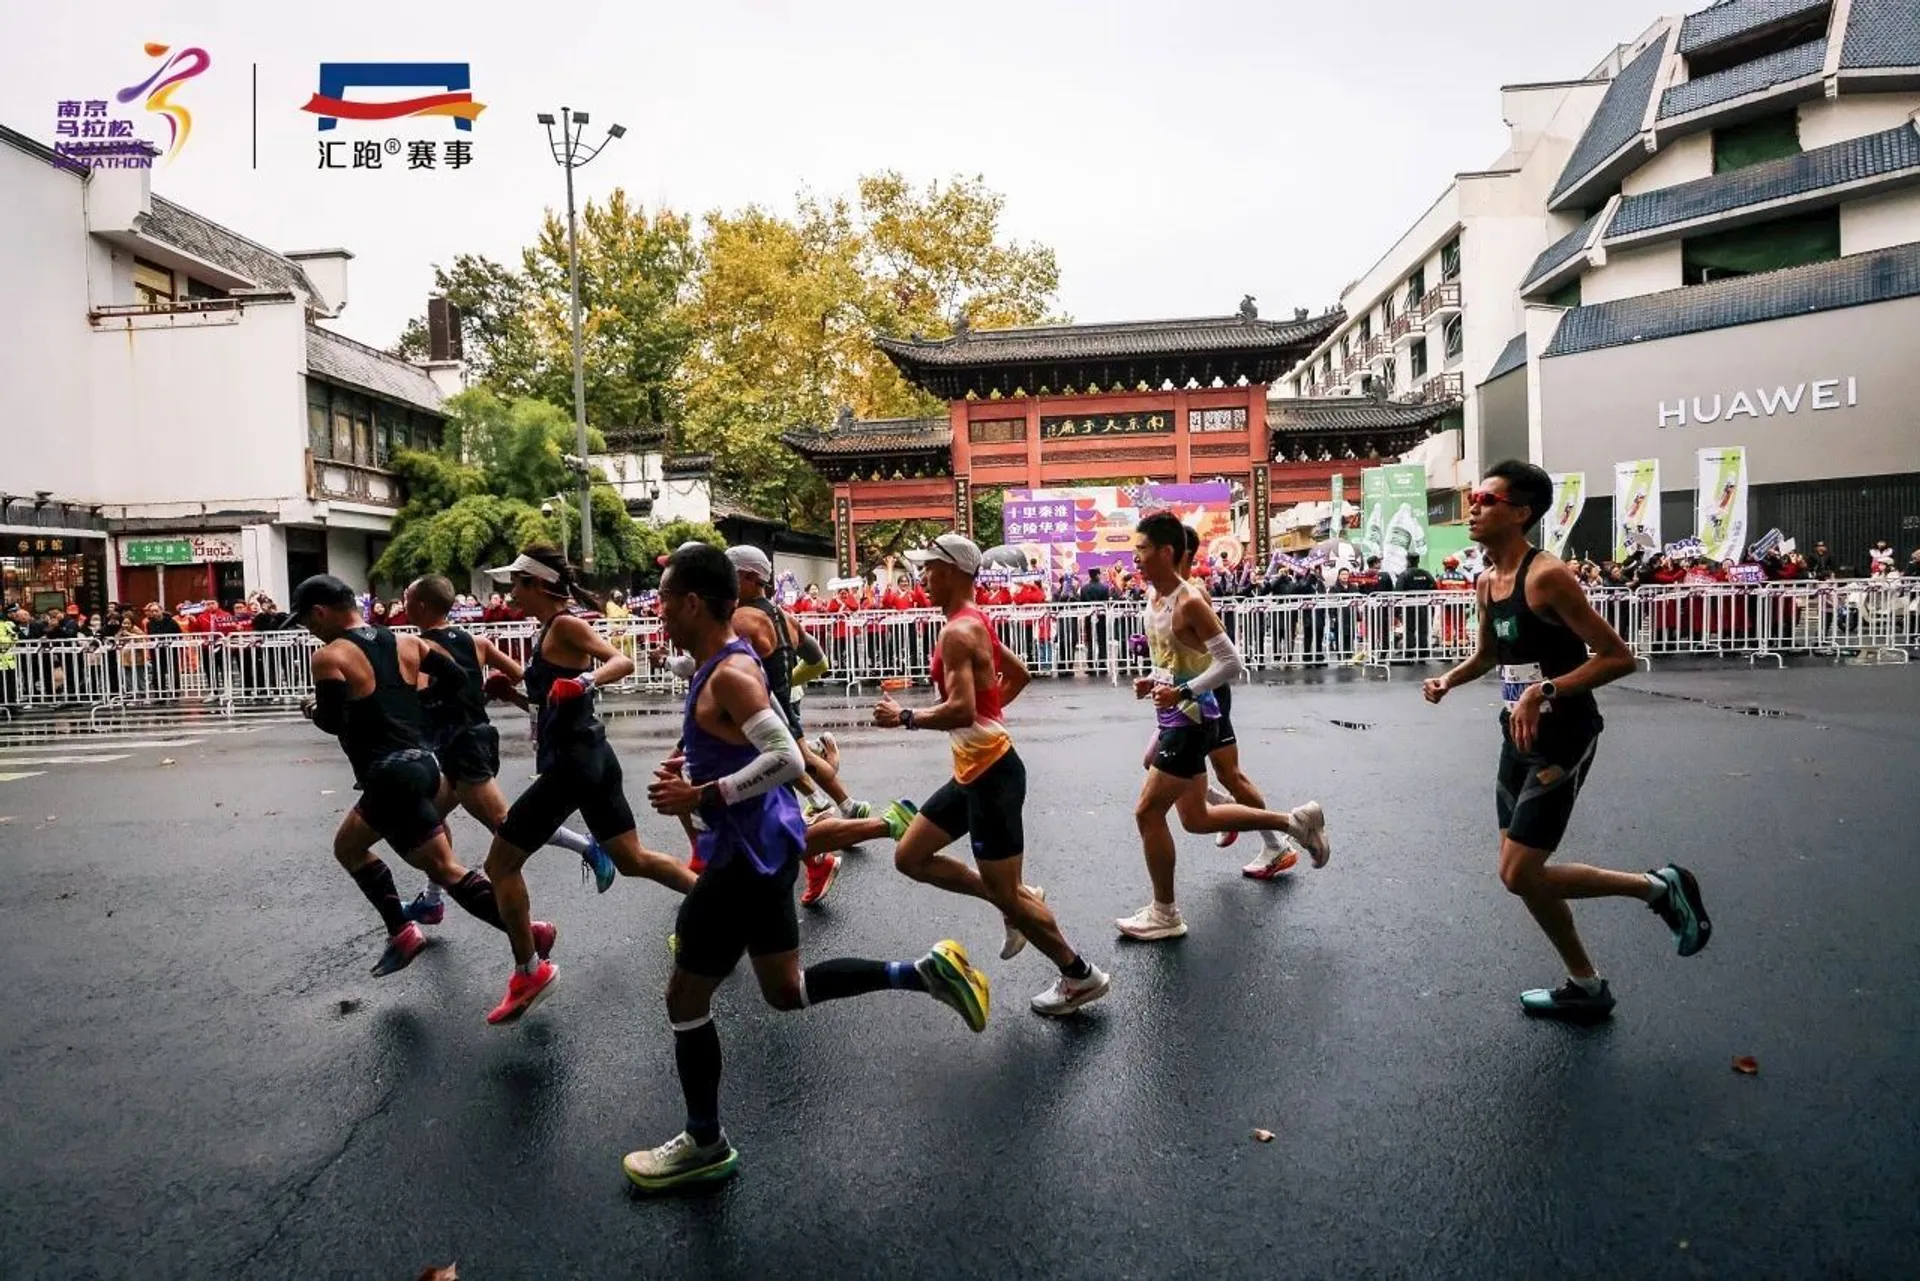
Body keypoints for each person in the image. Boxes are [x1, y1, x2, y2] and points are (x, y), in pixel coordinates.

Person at [624, 542, 990, 1192]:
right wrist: (696, 769)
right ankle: (924, 972)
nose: (659, 614)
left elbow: (787, 759)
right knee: (785, 990)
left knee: (684, 995)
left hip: (742, 859)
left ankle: (705, 1141)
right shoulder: (719, 665)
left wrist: (700, 794)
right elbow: (748, 749)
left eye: (663, 602)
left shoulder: (729, 672)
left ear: (690, 601)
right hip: (765, 849)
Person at [1422, 461, 1711, 1020]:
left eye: (1486, 499)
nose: (1474, 508)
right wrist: (1448, 680)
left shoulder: (1547, 575)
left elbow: (1618, 657)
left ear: (1522, 512)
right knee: (1522, 876)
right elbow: (1488, 655)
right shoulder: (1486, 581)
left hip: (1564, 735)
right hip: (1516, 736)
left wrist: (1546, 691)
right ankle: (1585, 984)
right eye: (1474, 498)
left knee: (1519, 873)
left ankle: (1657, 888)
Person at [876, 533, 1111, 1014]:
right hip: (973, 772)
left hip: (993, 777)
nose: (924, 578)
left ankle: (1078, 975)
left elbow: (961, 710)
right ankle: (1013, 899)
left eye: (932, 569)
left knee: (1009, 895)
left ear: (958, 572)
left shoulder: (958, 631)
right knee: (910, 856)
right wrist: (989, 715)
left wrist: (906, 716)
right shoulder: (973, 620)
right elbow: (1018, 674)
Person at [478, 544, 695, 1026]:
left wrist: (588, 682)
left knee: (500, 864)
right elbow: (549, 707)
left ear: (537, 585)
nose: (509, 593)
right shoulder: (544, 634)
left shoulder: (567, 625)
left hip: (574, 765)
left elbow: (621, 662)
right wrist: (511, 689)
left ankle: (529, 971)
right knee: (633, 860)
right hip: (589, 757)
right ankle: (720, 904)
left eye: (515, 584)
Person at [285, 574, 534, 978]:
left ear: (321, 612)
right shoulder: (407, 642)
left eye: (308, 622)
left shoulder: (330, 657)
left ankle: (410, 931)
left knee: (354, 850)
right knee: (440, 865)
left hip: (387, 775)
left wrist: (311, 708)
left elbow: (331, 722)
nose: (310, 631)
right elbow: (456, 678)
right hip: (424, 764)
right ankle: (518, 931)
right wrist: (418, 705)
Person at [1117, 512, 1329, 942]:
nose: (1133, 559)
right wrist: (1155, 680)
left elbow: (1232, 663)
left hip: (1193, 720)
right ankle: (1293, 824)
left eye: (1140, 550)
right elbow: (1176, 662)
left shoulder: (1190, 600)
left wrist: (1183, 692)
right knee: (1195, 818)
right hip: (1175, 715)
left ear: (1165, 552)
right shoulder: (1153, 601)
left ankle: (1165, 913)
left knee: (1147, 812)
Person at [376, 574, 613, 927]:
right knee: (430, 818)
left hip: (459, 746)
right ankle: (432, 899)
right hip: (479, 739)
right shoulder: (477, 641)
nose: (403, 604)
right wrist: (486, 689)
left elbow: (416, 695)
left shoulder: (416, 646)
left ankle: (588, 848)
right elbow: (520, 674)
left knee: (508, 825)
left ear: (421, 605)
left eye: (407, 598)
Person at [722, 545, 874, 907]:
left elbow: (722, 671)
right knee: (785, 783)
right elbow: (819, 661)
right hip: (778, 711)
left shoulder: (743, 619)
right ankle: (846, 812)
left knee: (757, 804)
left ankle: (842, 828)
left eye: (729, 574)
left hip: (756, 721)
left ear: (750, 578)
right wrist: (787, 685)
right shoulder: (783, 616)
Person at [1174, 527, 1302, 881]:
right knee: (1165, 766)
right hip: (1186, 695)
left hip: (1207, 695)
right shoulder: (1170, 594)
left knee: (1227, 773)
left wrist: (1191, 686)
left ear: (1178, 554)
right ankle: (1231, 813)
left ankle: (1276, 842)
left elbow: (1223, 654)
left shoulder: (1193, 594)